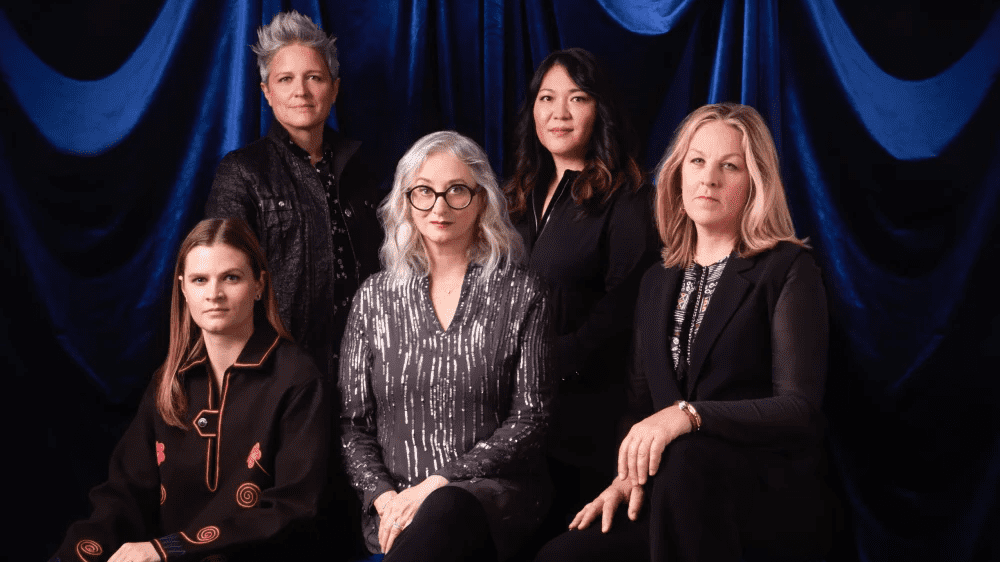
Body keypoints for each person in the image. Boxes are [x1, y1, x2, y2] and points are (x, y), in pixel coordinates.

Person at [535, 103, 832, 562]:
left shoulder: (788, 269)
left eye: (729, 166)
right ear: (677, 174)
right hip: (669, 496)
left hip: (756, 495)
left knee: (687, 459)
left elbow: (798, 409)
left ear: (755, 183)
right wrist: (625, 478)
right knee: (562, 556)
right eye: (697, 161)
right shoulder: (656, 281)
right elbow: (639, 408)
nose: (708, 179)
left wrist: (689, 416)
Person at [50, 218, 330, 562]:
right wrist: (76, 555)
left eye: (231, 277)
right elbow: (125, 494)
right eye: (200, 280)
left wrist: (167, 549)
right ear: (183, 288)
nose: (214, 294)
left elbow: (293, 508)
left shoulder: (297, 378)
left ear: (259, 285)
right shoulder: (170, 381)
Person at [340, 131, 555, 562]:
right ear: (405, 202)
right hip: (396, 509)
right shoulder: (373, 298)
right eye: (424, 191)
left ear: (481, 200)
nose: (439, 206)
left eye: (456, 190)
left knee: (447, 507)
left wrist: (439, 483)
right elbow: (353, 425)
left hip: (489, 500)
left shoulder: (521, 293)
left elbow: (531, 419)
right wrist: (384, 498)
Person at [504, 47, 659, 521]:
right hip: (513, 407)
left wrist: (552, 362)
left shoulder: (628, 196)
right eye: (547, 98)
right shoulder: (517, 194)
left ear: (600, 109)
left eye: (577, 98)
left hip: (587, 413)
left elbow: (626, 305)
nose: (560, 113)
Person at [206, 10, 381, 380]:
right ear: (267, 93)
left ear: (334, 88)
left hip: (365, 367)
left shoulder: (363, 169)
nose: (301, 91)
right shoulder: (242, 172)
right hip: (278, 372)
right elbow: (223, 280)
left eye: (314, 77)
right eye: (285, 79)